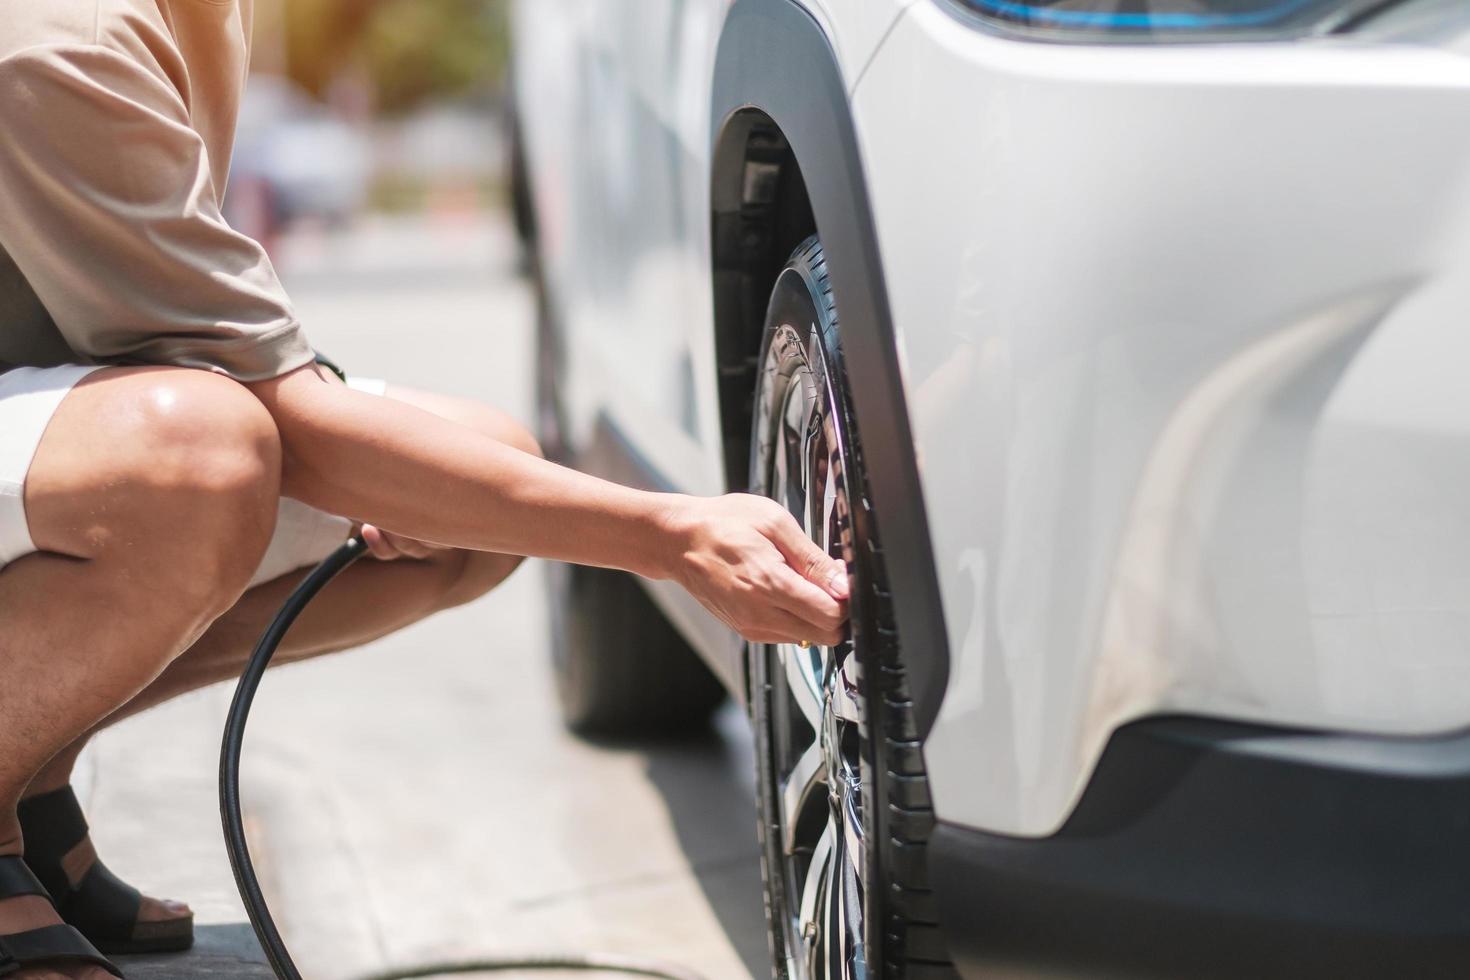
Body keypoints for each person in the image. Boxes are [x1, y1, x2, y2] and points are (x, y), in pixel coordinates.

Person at [0, 3, 850, 977]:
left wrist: (396, 469)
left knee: (475, 480)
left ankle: (31, 759)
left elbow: (209, 336)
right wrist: (670, 535)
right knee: (200, 459)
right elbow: (275, 418)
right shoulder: (68, 38)